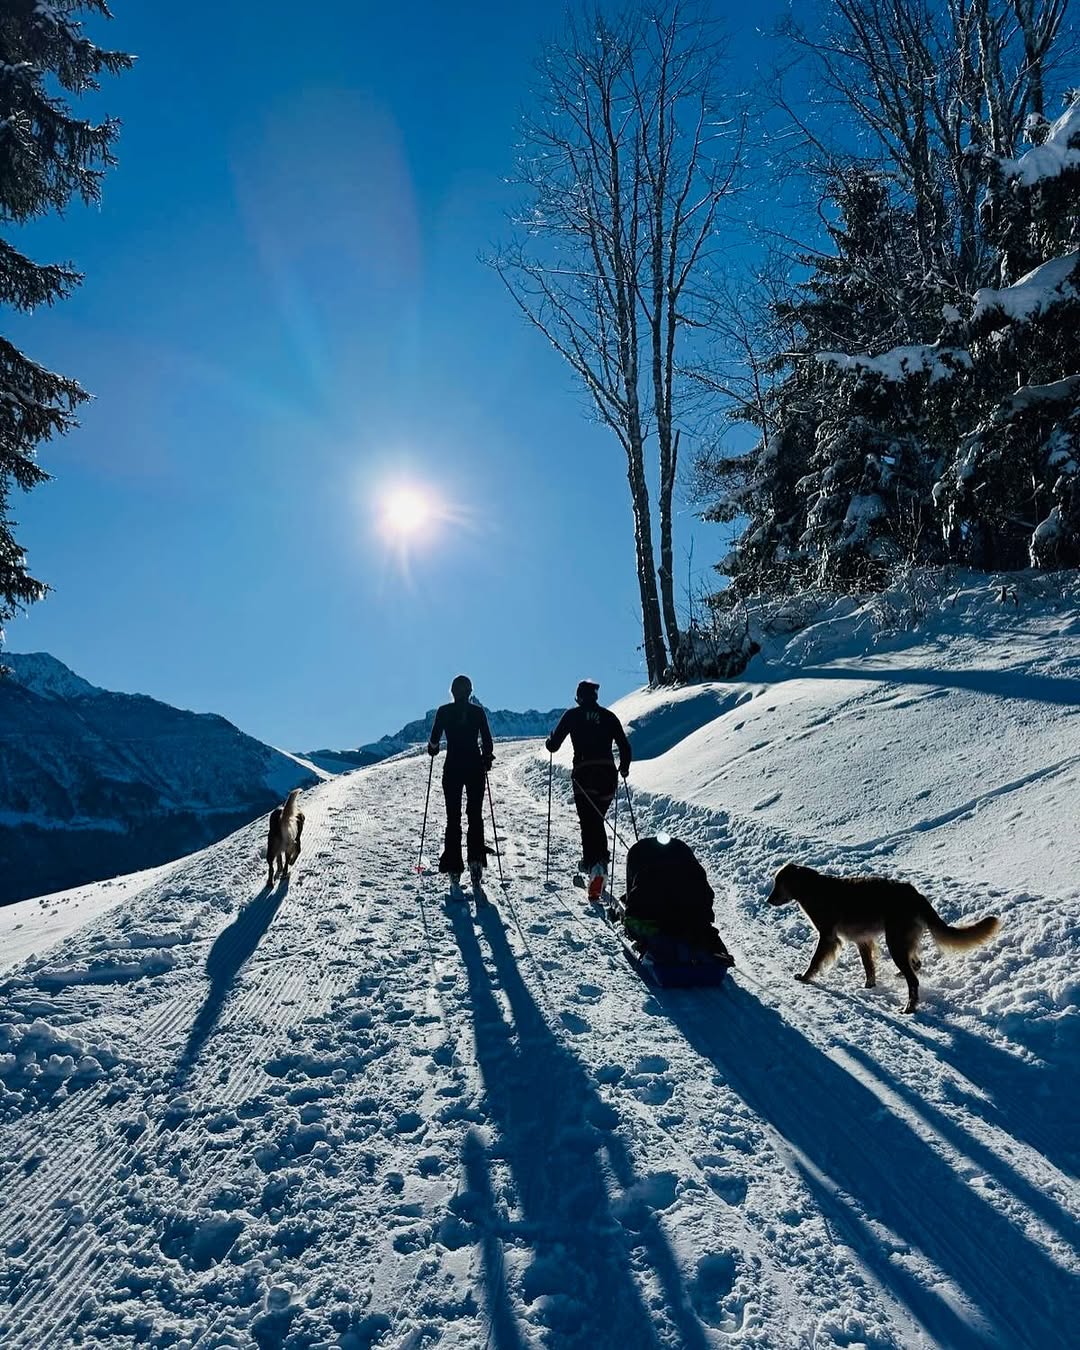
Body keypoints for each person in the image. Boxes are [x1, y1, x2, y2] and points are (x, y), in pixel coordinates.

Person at [546, 679, 631, 899]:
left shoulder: (573, 715)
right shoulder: (609, 716)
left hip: (585, 773)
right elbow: (624, 745)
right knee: (597, 819)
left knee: (588, 821)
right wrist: (624, 767)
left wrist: (549, 742)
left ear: (579, 697)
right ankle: (598, 863)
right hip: (608, 775)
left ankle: (594, 866)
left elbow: (554, 745)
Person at [428, 675, 494, 899]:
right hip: (475, 767)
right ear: (470, 691)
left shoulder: (444, 711)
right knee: (475, 816)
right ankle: (476, 866)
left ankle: (454, 872)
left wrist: (433, 748)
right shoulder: (478, 712)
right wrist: (486, 758)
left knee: (453, 818)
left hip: (453, 767)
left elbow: (434, 740)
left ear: (453, 692)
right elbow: (487, 740)